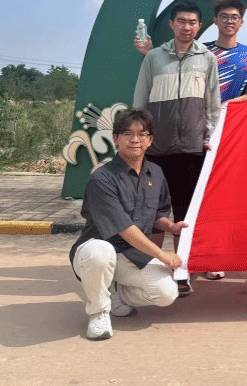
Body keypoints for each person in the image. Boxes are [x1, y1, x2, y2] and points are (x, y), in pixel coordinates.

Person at [70, 108, 186, 340]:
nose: (135, 140)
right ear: (116, 138)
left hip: (130, 254)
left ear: (150, 140)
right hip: (95, 249)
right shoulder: (102, 178)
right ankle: (98, 312)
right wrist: (162, 255)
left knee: (166, 293)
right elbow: (125, 229)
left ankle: (117, 295)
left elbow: (156, 214)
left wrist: (171, 227)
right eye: (127, 134)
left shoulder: (156, 173)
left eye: (142, 134)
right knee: (101, 253)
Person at [132, 0, 220, 295]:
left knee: (184, 213)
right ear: (172, 24)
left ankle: (181, 271)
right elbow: (140, 100)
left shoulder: (207, 58)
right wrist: (140, 138)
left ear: (199, 26)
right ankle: (151, 269)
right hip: (157, 149)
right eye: (181, 21)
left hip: (192, 149)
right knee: (154, 211)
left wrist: (209, 135)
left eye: (192, 22)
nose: (187, 27)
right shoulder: (154, 57)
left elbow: (213, 103)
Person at [135, 0, 247, 104]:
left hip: (232, 116)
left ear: (241, 22)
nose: (229, 21)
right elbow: (175, 68)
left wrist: (233, 102)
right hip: (199, 114)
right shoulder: (202, 51)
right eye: (224, 16)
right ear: (215, 20)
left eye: (234, 17)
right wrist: (149, 52)